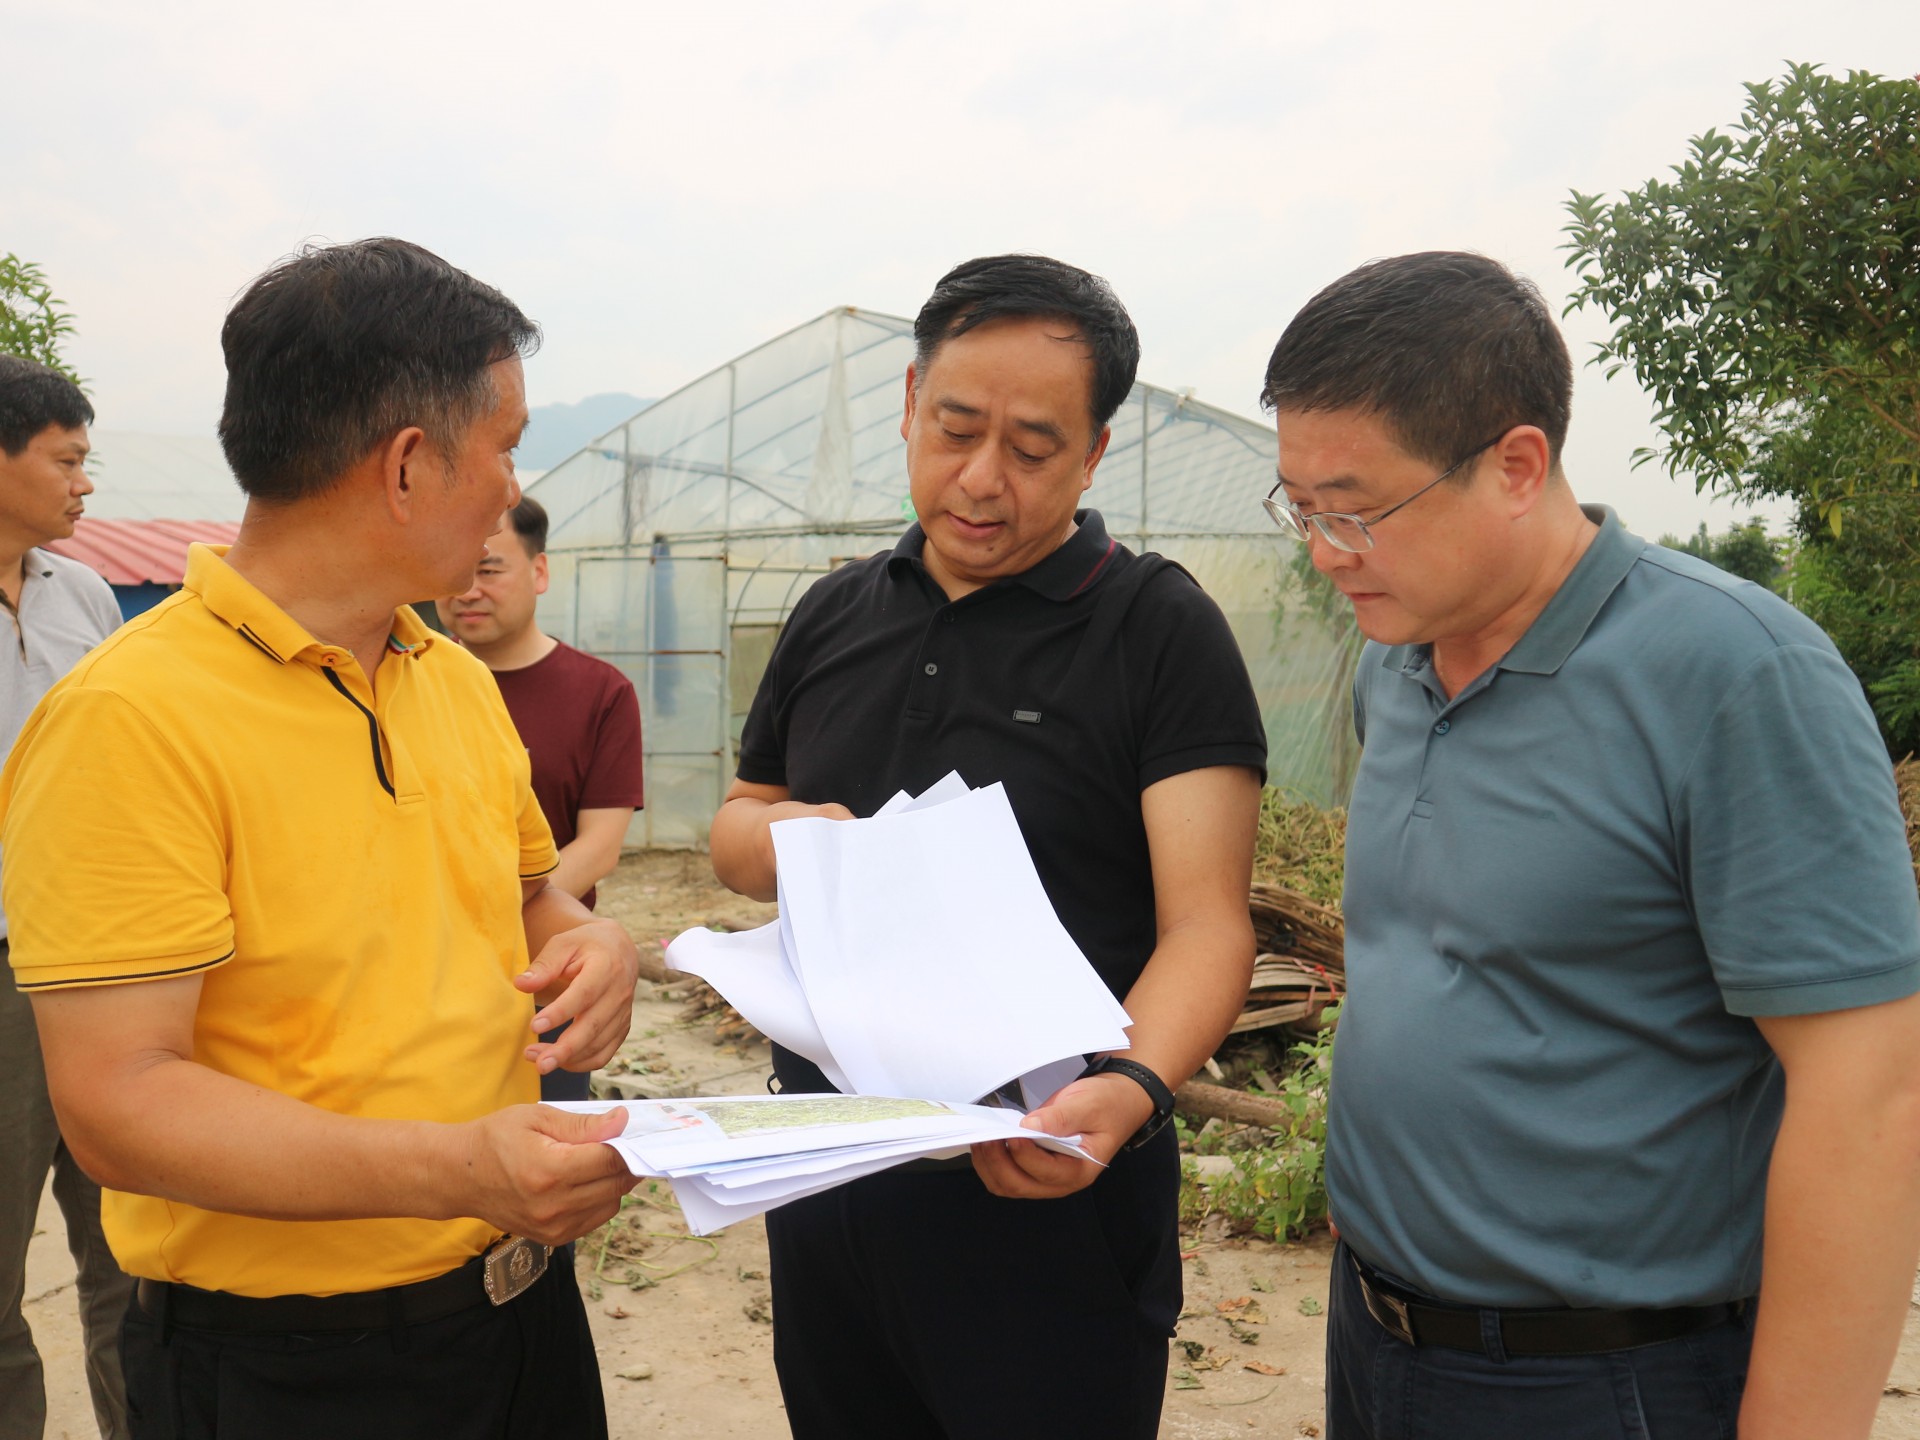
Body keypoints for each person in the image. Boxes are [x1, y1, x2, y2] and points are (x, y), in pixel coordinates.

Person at [1259, 250, 1920, 1440]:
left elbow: (1869, 1095)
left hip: (1608, 1378)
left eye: (1356, 510)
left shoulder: (1735, 677)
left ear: (1517, 465)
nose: (1324, 550)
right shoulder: (1394, 665)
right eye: (1301, 508)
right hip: (1377, 1336)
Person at [0, 239, 643, 1440]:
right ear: (408, 465)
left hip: (519, 1312)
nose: (513, 488)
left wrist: (586, 950)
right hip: (292, 1368)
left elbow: (530, 900)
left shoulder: (446, 678)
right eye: (504, 448)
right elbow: (118, 1103)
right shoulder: (127, 722)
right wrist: (464, 1168)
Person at [708, 253, 1268, 1439]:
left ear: (1095, 453)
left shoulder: (1157, 629)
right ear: (909, 402)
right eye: (954, 429)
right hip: (833, 1173)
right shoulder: (836, 611)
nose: (979, 480)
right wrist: (793, 841)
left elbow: (1209, 922)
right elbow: (738, 824)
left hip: (1045, 1188)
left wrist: (1125, 1092)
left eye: (1031, 449)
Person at [0, 356, 132, 1440]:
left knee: (129, 1250)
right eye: (67, 460)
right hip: (2, 972)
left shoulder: (83, 595)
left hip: (100, 963)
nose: (84, 484)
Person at [436, 497, 646, 1090]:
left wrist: (486, 920)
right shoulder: (402, 680)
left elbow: (599, 847)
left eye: (490, 569)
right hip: (427, 981)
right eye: (456, 568)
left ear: (540, 572)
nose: (468, 589)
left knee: (548, 1141)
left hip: (545, 971)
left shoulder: (600, 692)